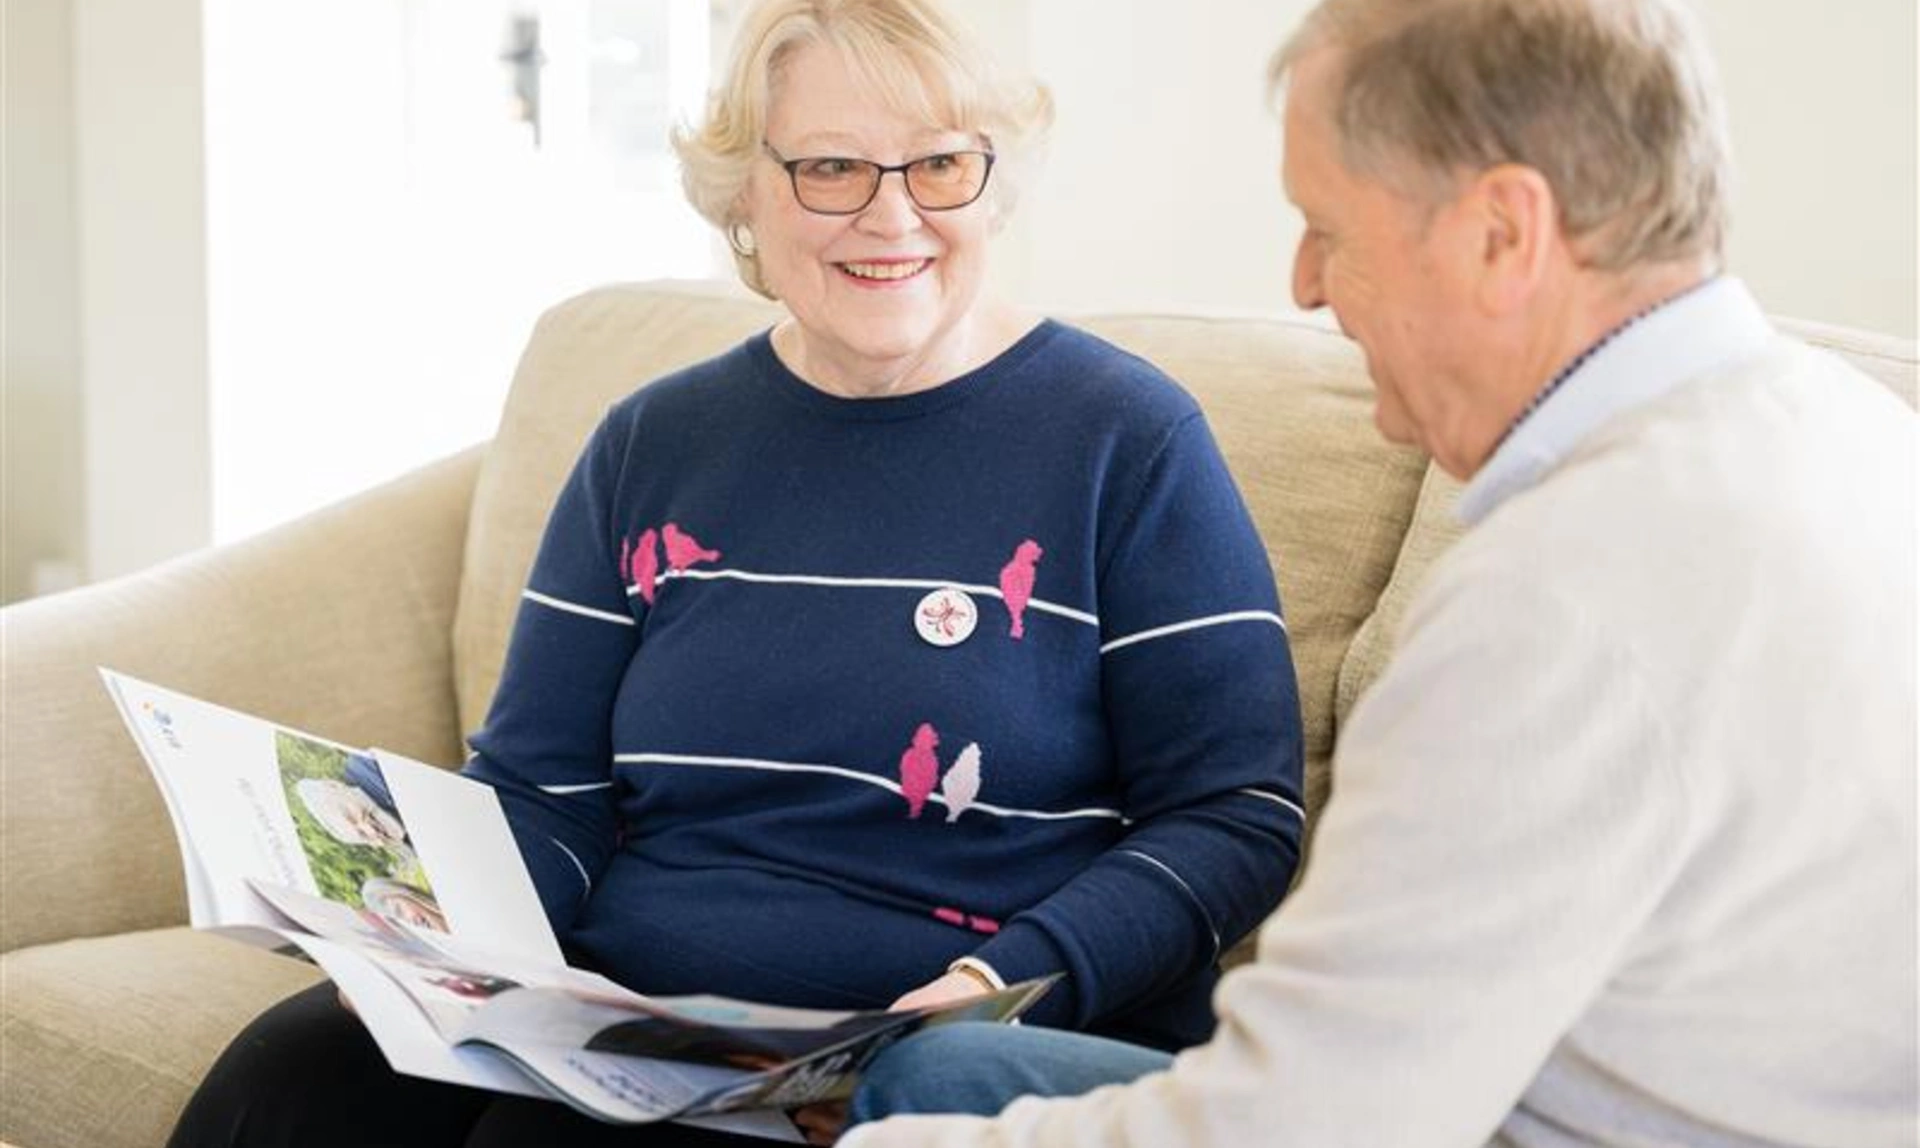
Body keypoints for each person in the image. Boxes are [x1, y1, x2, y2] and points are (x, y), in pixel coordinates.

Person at [166, 0, 1305, 1144]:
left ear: (992, 182)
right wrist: (422, 932)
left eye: (941, 165)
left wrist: (996, 983)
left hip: (941, 1035)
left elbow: (1233, 813)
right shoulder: (650, 445)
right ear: (742, 198)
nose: (893, 212)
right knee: (291, 1070)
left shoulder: (1127, 440)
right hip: (636, 1019)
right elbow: (542, 791)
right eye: (830, 168)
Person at [832, 0, 1919, 1145]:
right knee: (949, 1074)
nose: (1304, 283)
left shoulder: (1563, 594)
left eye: (1328, 227)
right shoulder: (1850, 429)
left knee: (924, 1100)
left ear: (1501, 232)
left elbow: (1309, 1124)